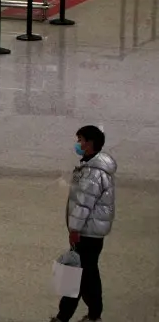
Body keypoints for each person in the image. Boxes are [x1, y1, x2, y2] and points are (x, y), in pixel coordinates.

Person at [51, 125, 115, 322]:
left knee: (75, 274)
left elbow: (84, 203)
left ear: (90, 143)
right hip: (92, 232)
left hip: (86, 232)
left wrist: (75, 229)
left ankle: (64, 317)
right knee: (88, 275)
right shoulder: (92, 166)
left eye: (80, 140)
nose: (78, 144)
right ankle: (94, 315)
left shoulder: (93, 172)